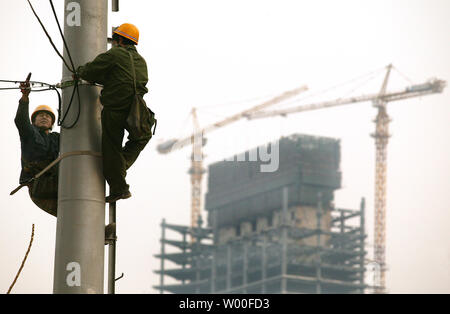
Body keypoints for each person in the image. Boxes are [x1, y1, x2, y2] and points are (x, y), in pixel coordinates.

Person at [76, 23, 154, 203]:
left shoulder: (114, 54)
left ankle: (120, 187)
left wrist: (78, 72)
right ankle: (120, 167)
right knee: (141, 138)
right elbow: (127, 78)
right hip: (137, 108)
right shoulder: (141, 61)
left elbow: (89, 72)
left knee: (111, 149)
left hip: (116, 108)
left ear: (118, 40)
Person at [15, 76, 59, 217]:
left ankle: (101, 232)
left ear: (52, 122)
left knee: (71, 213)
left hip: (55, 183)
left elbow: (77, 133)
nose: (44, 117)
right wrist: (24, 97)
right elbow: (21, 120)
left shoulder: (56, 138)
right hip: (39, 186)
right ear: (33, 121)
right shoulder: (29, 133)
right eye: (40, 115)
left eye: (48, 116)